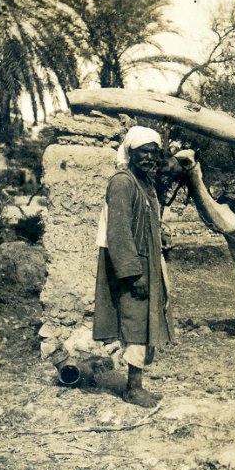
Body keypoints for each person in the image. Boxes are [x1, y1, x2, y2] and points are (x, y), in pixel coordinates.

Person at [93, 126, 173, 407]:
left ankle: (136, 382)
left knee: (144, 320)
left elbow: (144, 220)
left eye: (154, 152)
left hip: (148, 262)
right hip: (133, 268)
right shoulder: (122, 182)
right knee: (135, 322)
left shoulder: (145, 184)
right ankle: (133, 388)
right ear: (130, 152)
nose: (150, 157)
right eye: (144, 151)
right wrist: (132, 273)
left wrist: (159, 234)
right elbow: (119, 232)